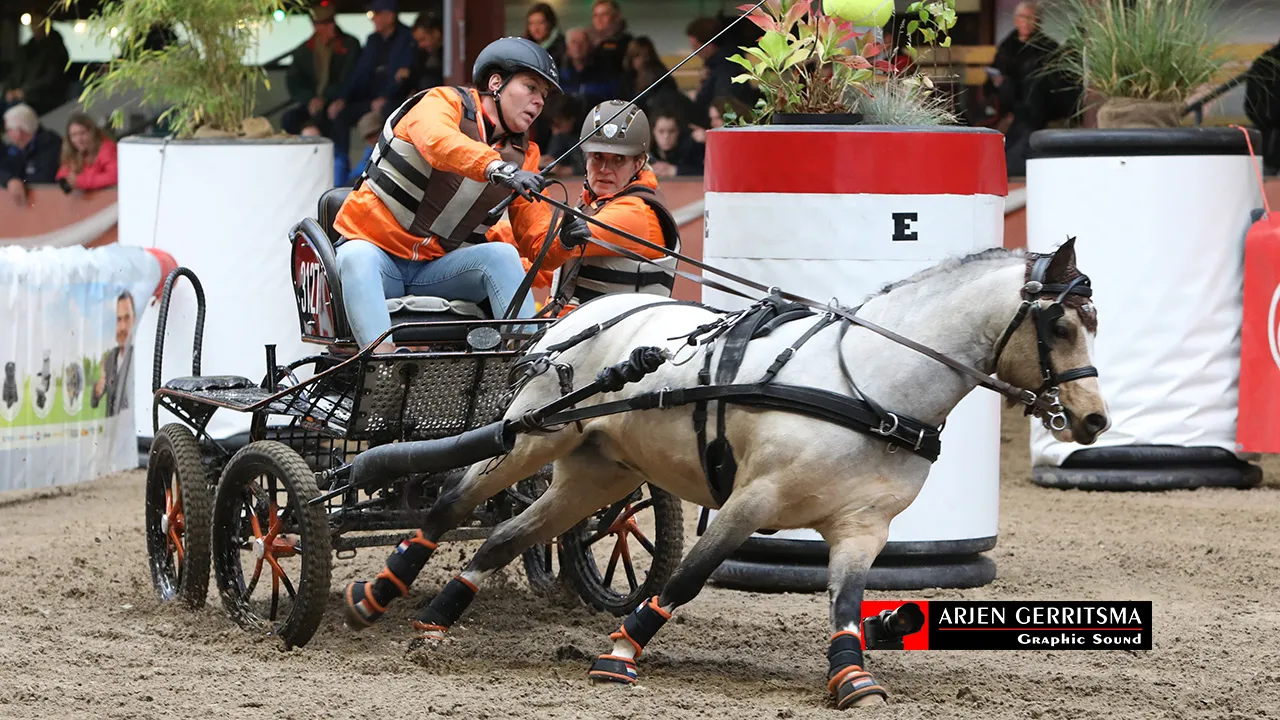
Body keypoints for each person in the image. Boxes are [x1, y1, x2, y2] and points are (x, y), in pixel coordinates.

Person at [331, 37, 576, 351]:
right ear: (496, 83)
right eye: (531, 87)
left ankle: (527, 367)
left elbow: (534, 239)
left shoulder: (525, 154)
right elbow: (437, 140)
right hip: (378, 258)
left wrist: (563, 241)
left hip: (436, 270)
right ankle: (383, 368)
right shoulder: (441, 102)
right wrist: (496, 166)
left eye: (543, 95)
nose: (539, 102)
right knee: (355, 256)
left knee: (502, 255)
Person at [512, 99, 681, 315]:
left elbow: (545, 247)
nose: (604, 169)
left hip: (603, 339)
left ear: (638, 164)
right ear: (585, 159)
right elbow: (556, 266)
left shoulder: (632, 214)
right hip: (573, 330)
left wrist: (525, 165)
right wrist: (492, 239)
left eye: (619, 159)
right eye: (597, 157)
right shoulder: (596, 202)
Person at [328, 0, 416, 166]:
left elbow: (404, 76)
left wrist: (385, 96)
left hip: (394, 100)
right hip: (370, 100)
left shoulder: (407, 38)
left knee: (383, 115)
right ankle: (340, 163)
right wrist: (343, 98)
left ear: (390, 16)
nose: (372, 19)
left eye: (376, 14)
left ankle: (372, 164)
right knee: (340, 114)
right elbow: (359, 73)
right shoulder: (373, 40)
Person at [281, 4, 361, 136]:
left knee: (336, 118)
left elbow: (351, 77)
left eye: (328, 23)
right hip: (312, 103)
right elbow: (294, 79)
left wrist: (327, 97)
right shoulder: (305, 49)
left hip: (338, 101)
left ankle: (338, 156)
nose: (325, 28)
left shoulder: (349, 45)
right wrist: (309, 98)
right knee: (289, 119)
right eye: (319, 24)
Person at [3, 12, 70, 115]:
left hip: (42, 97)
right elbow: (14, 74)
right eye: (33, 23)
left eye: (39, 23)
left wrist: (24, 92)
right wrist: (8, 90)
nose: (35, 26)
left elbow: (51, 78)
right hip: (19, 94)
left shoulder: (55, 49)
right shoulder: (26, 49)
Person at [1, 103, 61, 206]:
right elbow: (3, 168)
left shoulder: (50, 143)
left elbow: (44, 178)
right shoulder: (17, 149)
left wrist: (22, 183)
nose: (7, 134)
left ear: (20, 131)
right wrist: (10, 180)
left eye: (9, 130)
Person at [92, 291, 136, 418]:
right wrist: (97, 390)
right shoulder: (110, 358)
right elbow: (95, 400)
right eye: (118, 320)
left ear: (134, 319)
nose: (122, 327)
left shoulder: (138, 357)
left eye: (127, 318)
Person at [56, 113, 119, 192]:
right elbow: (64, 173)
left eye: (82, 133)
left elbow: (114, 176)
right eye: (74, 135)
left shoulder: (106, 148)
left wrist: (82, 181)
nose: (79, 140)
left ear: (92, 132)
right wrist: (67, 180)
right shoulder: (74, 151)